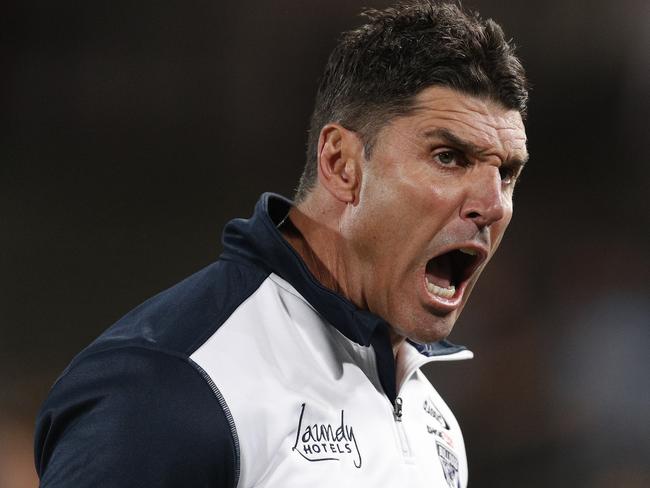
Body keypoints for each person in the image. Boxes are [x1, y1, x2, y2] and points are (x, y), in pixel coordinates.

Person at [34, 1, 529, 486]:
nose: (493, 204)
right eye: (449, 157)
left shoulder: (432, 421)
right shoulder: (170, 387)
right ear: (341, 165)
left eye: (506, 173)